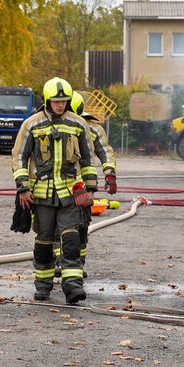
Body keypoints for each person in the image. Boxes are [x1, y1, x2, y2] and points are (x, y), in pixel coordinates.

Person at [11, 77, 97, 305]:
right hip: (42, 195)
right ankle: (43, 286)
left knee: (71, 239)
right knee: (44, 243)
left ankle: (73, 287)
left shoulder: (78, 124)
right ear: (47, 101)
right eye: (56, 101)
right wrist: (22, 188)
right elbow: (19, 157)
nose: (60, 105)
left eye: (64, 101)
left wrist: (90, 188)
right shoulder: (32, 124)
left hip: (70, 193)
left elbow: (87, 158)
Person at [54, 92, 118, 277]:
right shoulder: (51, 124)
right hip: (59, 184)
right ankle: (59, 262)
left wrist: (110, 173)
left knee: (81, 225)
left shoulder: (92, 128)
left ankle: (77, 263)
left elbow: (105, 152)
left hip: (82, 186)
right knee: (56, 226)